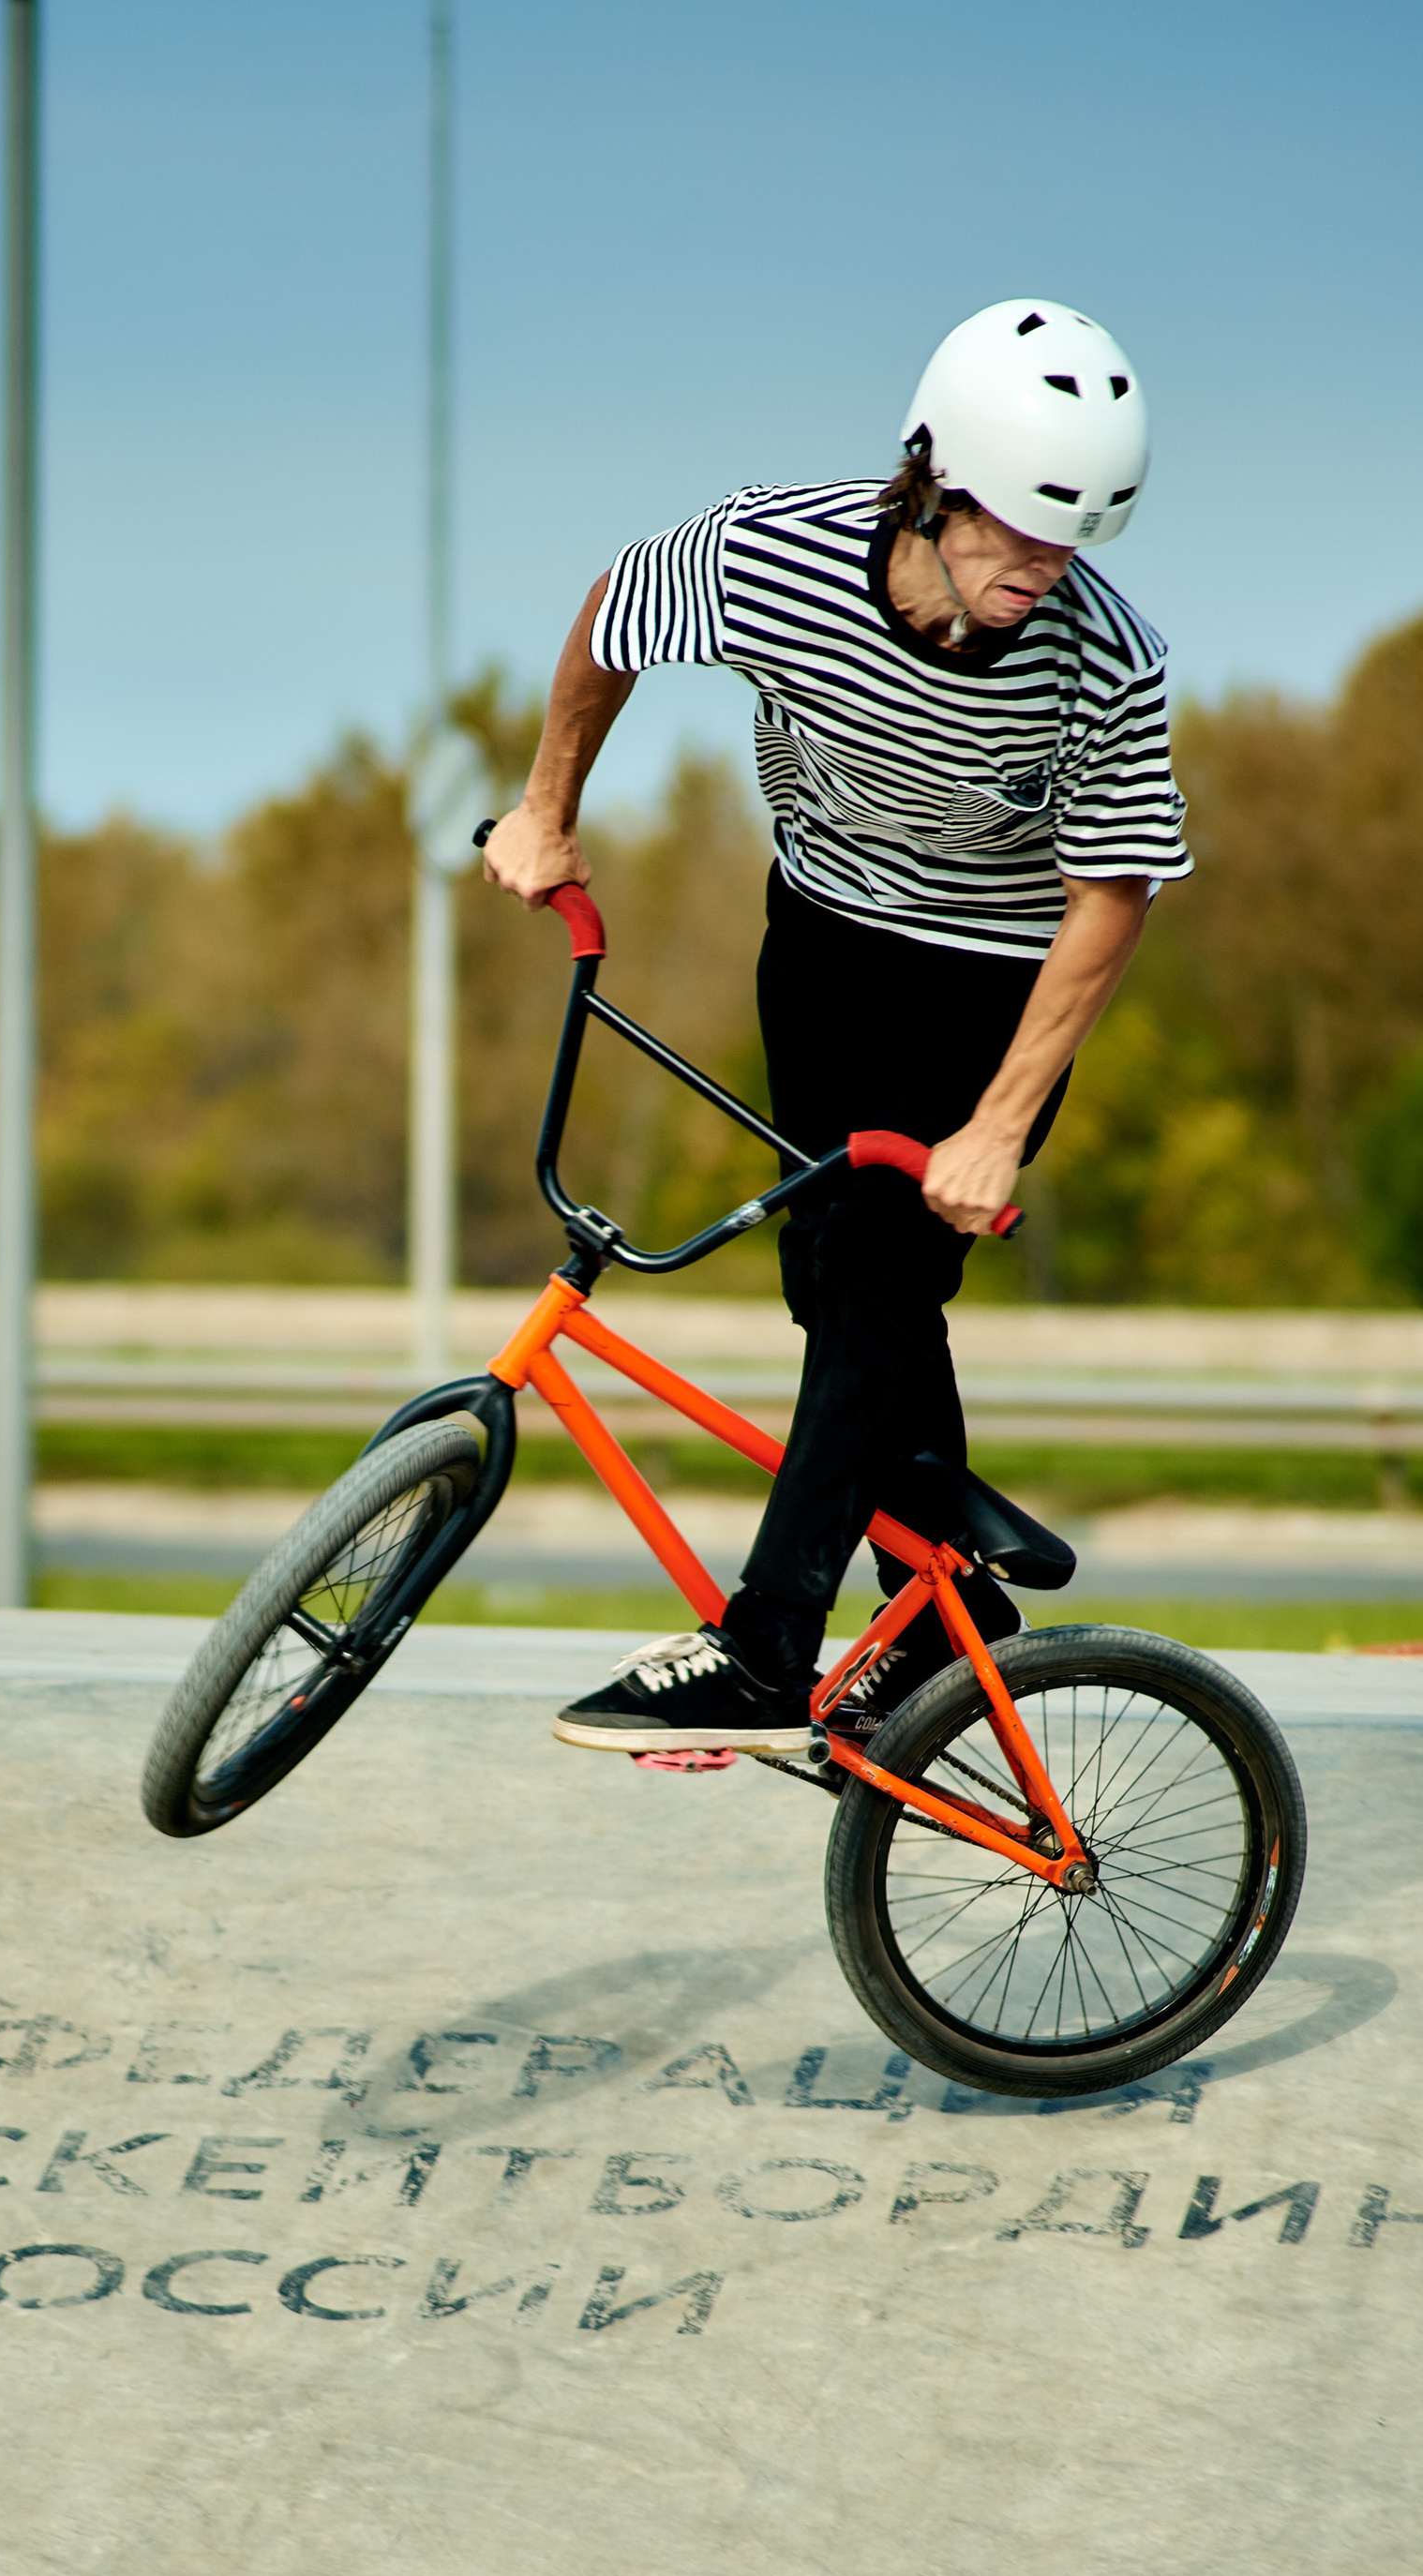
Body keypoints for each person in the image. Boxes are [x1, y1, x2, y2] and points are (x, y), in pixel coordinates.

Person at [481, 298, 1191, 1752]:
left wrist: (998, 1126)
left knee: (872, 1284)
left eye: (1072, 545)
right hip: (818, 938)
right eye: (1012, 534)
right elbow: (613, 619)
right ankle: (946, 1606)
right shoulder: (769, 552)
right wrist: (549, 806)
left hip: (991, 989)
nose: (1039, 575)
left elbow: (1111, 899)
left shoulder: (1109, 662)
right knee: (835, 1283)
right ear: (933, 483)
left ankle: (768, 1643)